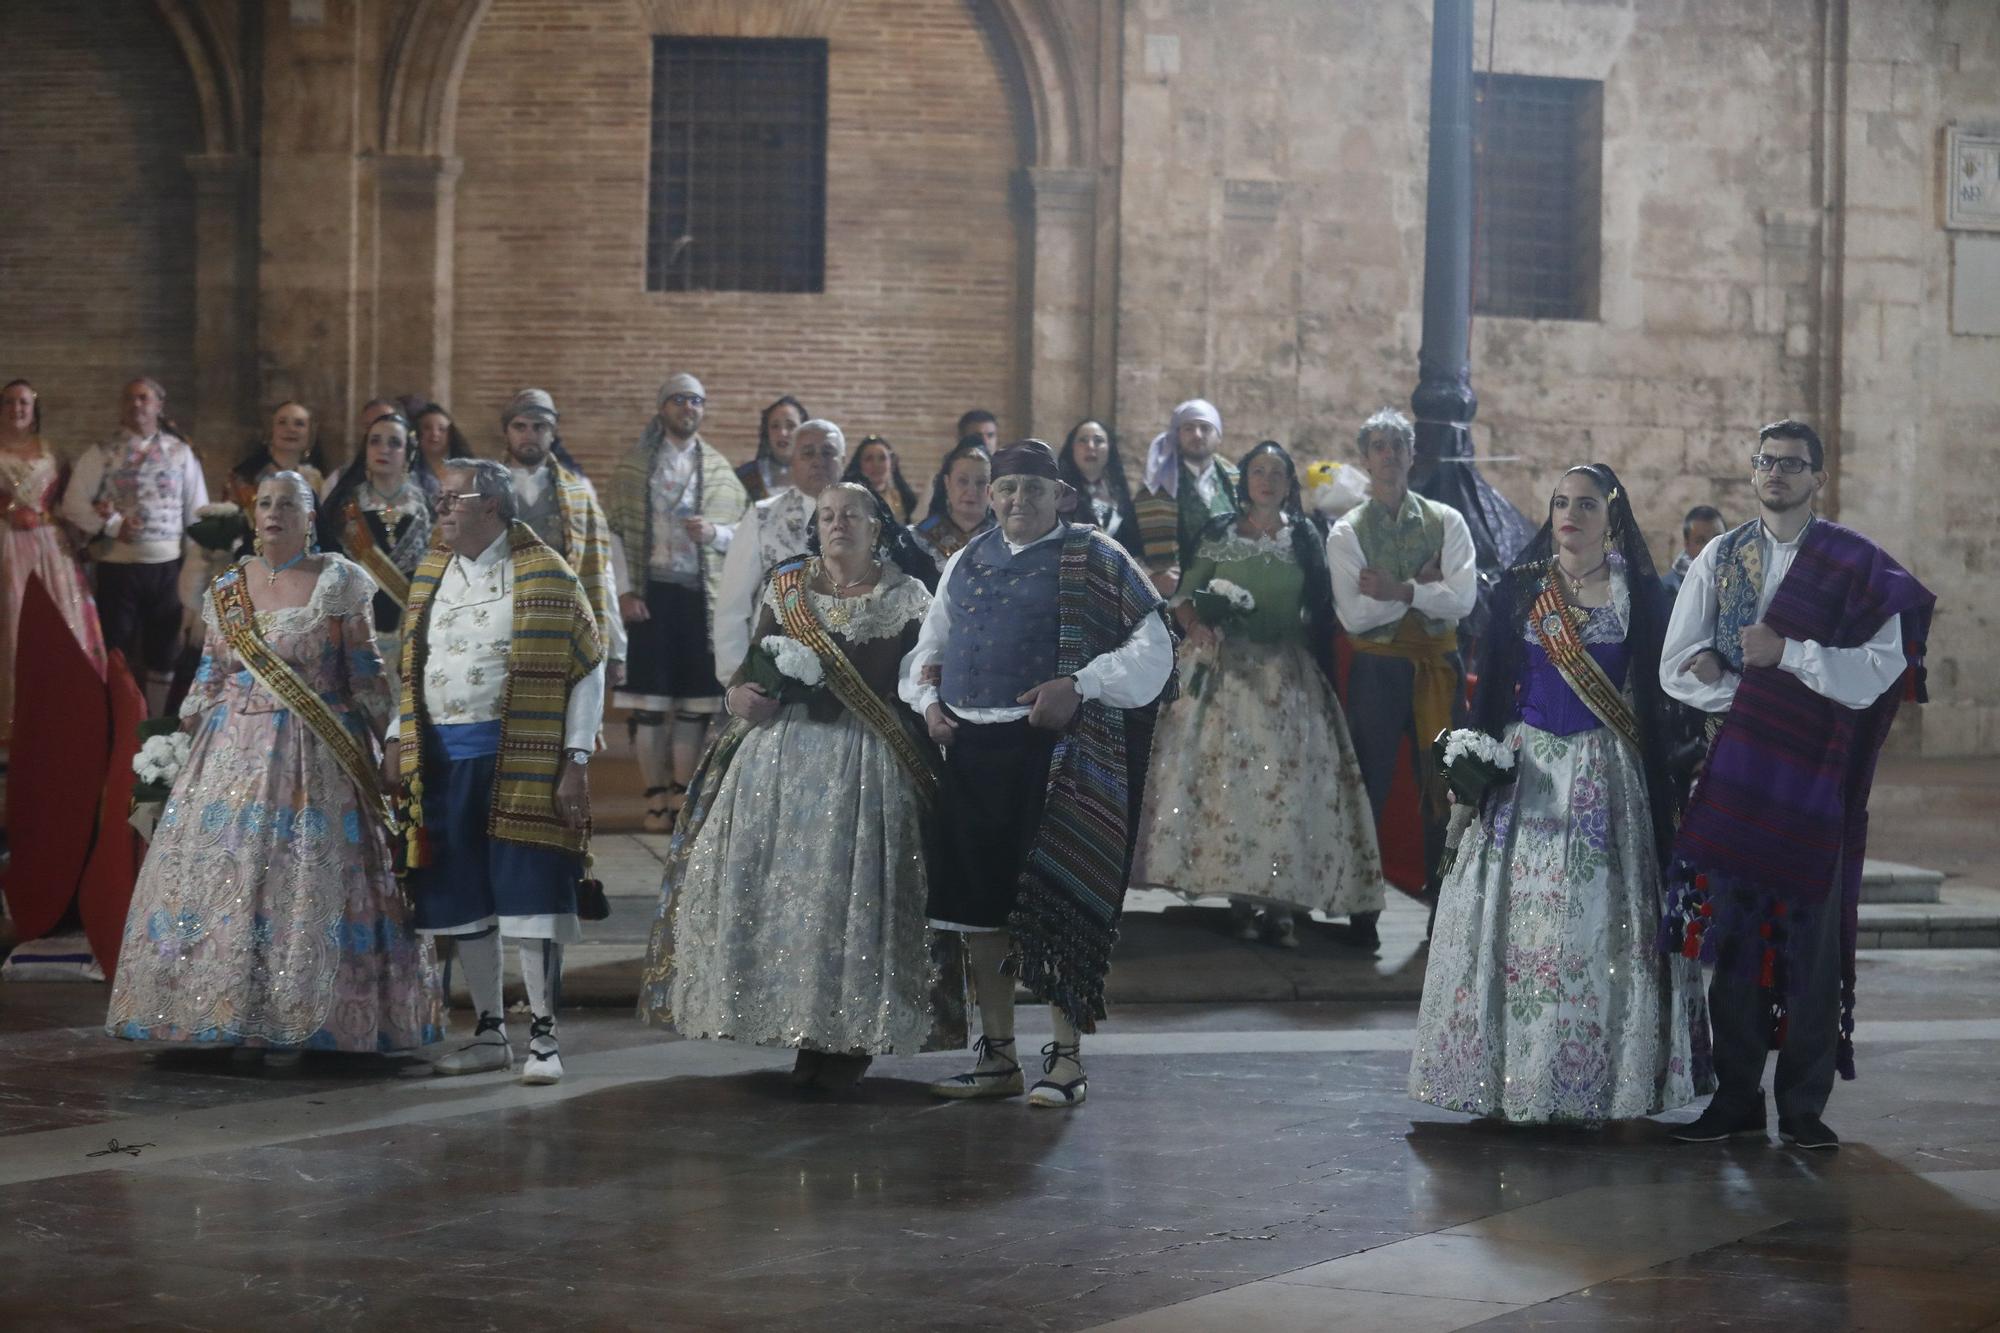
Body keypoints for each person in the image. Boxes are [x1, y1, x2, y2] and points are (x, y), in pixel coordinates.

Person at [1409, 464, 1713, 1123]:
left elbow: (1662, 700)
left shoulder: (1640, 595)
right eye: (1558, 503)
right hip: (1527, 778)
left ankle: (1594, 1080)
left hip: (1607, 780)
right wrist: (1475, 768)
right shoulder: (1522, 590)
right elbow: (1490, 691)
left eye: (1584, 504)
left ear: (1613, 517)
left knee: (1596, 927)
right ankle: (1512, 1076)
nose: (1569, 514)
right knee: (1522, 931)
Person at [1661, 420, 1933, 1151]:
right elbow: (1678, 661)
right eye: (1766, 462)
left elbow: (1881, 667)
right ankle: (1737, 1097)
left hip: (1817, 776)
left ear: (1819, 475)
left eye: (1792, 463)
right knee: (1739, 939)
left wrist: (1790, 654)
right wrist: (1735, 693)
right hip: (1741, 776)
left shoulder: (1852, 564)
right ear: (1753, 473)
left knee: (1810, 945)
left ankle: (1804, 1105)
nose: (1777, 473)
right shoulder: (1720, 556)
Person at [105, 472, 441, 1059]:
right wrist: (172, 754)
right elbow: (209, 676)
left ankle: (324, 1019)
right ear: (252, 515)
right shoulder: (228, 588)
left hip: (318, 756)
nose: (274, 512)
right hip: (228, 751)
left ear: (311, 517)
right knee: (220, 877)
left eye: (288, 503)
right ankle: (214, 1014)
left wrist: (394, 743)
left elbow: (366, 675)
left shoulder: (339, 580)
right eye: (264, 503)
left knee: (307, 881)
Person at [641, 483, 965, 1086]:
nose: (838, 524)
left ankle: (847, 1037)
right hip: (780, 760)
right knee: (787, 895)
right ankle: (794, 1022)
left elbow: (923, 678)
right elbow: (752, 666)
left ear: (878, 526)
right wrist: (738, 694)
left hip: (868, 763)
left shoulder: (910, 596)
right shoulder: (787, 587)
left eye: (852, 515)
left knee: (850, 894)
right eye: (828, 515)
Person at [902, 440, 1174, 1109]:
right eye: (1006, 488)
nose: (1017, 499)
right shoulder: (965, 559)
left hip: (1055, 756)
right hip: (970, 750)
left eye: (1032, 488)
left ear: (1063, 496)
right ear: (990, 496)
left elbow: (1154, 643)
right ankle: (997, 1057)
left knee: (1056, 905)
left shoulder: (1097, 556)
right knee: (978, 911)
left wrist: (1080, 684)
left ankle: (1066, 1060)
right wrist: (929, 703)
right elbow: (928, 649)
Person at [388, 459, 606, 1085]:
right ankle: (488, 1034)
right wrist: (396, 738)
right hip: (443, 762)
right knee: (462, 900)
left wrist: (576, 762)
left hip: (525, 762)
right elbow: (409, 665)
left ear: (492, 505)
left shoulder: (548, 574)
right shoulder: (431, 573)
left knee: (530, 898)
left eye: (452, 497)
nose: (441, 507)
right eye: (440, 496)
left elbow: (587, 669)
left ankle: (544, 1039)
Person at [1132, 442, 1381, 947]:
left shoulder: (1307, 539)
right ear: (1243, 480)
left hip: (1286, 674)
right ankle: (1240, 898)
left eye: (1277, 473)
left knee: (1288, 785)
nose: (1267, 480)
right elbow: (1182, 597)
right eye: (1258, 471)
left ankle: (1280, 904)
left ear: (1290, 484)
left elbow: (1324, 604)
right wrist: (1198, 626)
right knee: (1230, 783)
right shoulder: (1219, 535)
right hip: (1224, 672)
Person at [1327, 407, 1477, 945]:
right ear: (1365, 458)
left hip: (1438, 667)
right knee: (1370, 782)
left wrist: (1399, 589)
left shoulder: (1447, 521)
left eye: (1398, 446)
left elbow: (1462, 600)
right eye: (1379, 447)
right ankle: (1361, 913)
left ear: (1412, 456)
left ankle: (1446, 913)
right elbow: (1355, 616)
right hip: (1377, 670)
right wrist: (1421, 587)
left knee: (1447, 785)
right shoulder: (1347, 531)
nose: (1389, 456)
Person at [607, 373, 749, 829]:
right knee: (650, 705)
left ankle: (682, 797)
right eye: (679, 400)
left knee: (693, 706)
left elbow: (745, 533)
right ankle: (653, 799)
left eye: (696, 401)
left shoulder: (722, 471)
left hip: (698, 600)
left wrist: (715, 533)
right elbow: (614, 533)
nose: (688, 408)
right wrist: (625, 591)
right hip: (651, 597)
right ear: (663, 407)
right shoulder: (633, 468)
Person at [61, 377, 210, 716]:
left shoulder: (180, 453)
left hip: (166, 567)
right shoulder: (102, 452)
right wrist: (111, 525)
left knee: (164, 651)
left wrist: (195, 573)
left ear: (160, 404)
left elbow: (196, 513)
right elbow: (73, 503)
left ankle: (155, 726)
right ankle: (120, 724)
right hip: (118, 568)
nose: (137, 405)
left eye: (144, 398)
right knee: (117, 648)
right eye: (129, 398)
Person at [0, 379, 106, 745]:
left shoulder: (53, 451)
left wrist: (94, 519)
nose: (17, 408)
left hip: (48, 544)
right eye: (11, 402)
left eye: (24, 403)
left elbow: (65, 503)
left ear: (34, 409)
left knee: (63, 622)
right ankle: (11, 723)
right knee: (12, 624)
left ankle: (62, 718)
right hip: (6, 546)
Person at [500, 388, 622, 685]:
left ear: (553, 432)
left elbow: (599, 572)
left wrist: (616, 649)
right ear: (506, 431)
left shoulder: (579, 498)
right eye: (520, 426)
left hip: (560, 625)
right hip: (496, 626)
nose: (529, 434)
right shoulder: (482, 491)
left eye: (539, 427)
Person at [712, 418, 847, 687]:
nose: (818, 461)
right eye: (808, 453)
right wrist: (735, 679)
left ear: (842, 460)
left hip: (849, 677)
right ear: (792, 461)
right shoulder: (762, 517)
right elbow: (732, 607)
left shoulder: (867, 518)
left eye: (828, 452)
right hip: (773, 675)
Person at [317, 412, 433, 691]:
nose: (383, 449)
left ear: (408, 453)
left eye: (394, 443)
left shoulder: (425, 508)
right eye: (375, 441)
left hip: (409, 628)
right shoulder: (345, 508)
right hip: (355, 627)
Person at [1133, 398, 1237, 597]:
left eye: (1205, 428)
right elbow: (1127, 544)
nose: (1197, 435)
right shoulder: (1155, 488)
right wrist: (1151, 576)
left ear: (1219, 437)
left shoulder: (1237, 484)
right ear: (1177, 435)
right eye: (1189, 428)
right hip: (1173, 601)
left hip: (1229, 594)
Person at [1056, 418, 1143, 560]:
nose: (1090, 446)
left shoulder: (1120, 496)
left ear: (1110, 448)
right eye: (1083, 440)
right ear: (1072, 449)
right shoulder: (1058, 497)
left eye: (1099, 441)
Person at [227, 401, 329, 508]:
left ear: (310, 435)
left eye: (299, 424)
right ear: (271, 431)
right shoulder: (246, 478)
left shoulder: (315, 478)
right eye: (282, 422)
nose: (291, 429)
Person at [912, 437, 994, 567]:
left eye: (981, 482)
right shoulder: (919, 537)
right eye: (962, 481)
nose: (971, 491)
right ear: (947, 483)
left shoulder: (1005, 538)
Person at [737, 395, 809, 503]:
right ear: (767, 433)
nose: (782, 433)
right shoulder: (746, 476)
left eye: (791, 426)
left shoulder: (818, 476)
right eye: (775, 426)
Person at [845, 434, 920, 525]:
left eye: (882, 458)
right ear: (859, 465)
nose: (876, 465)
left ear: (891, 464)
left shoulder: (903, 499)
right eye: (869, 459)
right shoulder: (848, 498)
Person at [411, 402, 474, 503]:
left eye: (442, 429)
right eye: (427, 428)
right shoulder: (409, 472)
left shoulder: (468, 470)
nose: (435, 434)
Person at [1661, 505, 1727, 597]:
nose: (1711, 547)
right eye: (1701, 541)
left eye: (1717, 539)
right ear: (1687, 545)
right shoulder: (1668, 589)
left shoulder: (1740, 579)